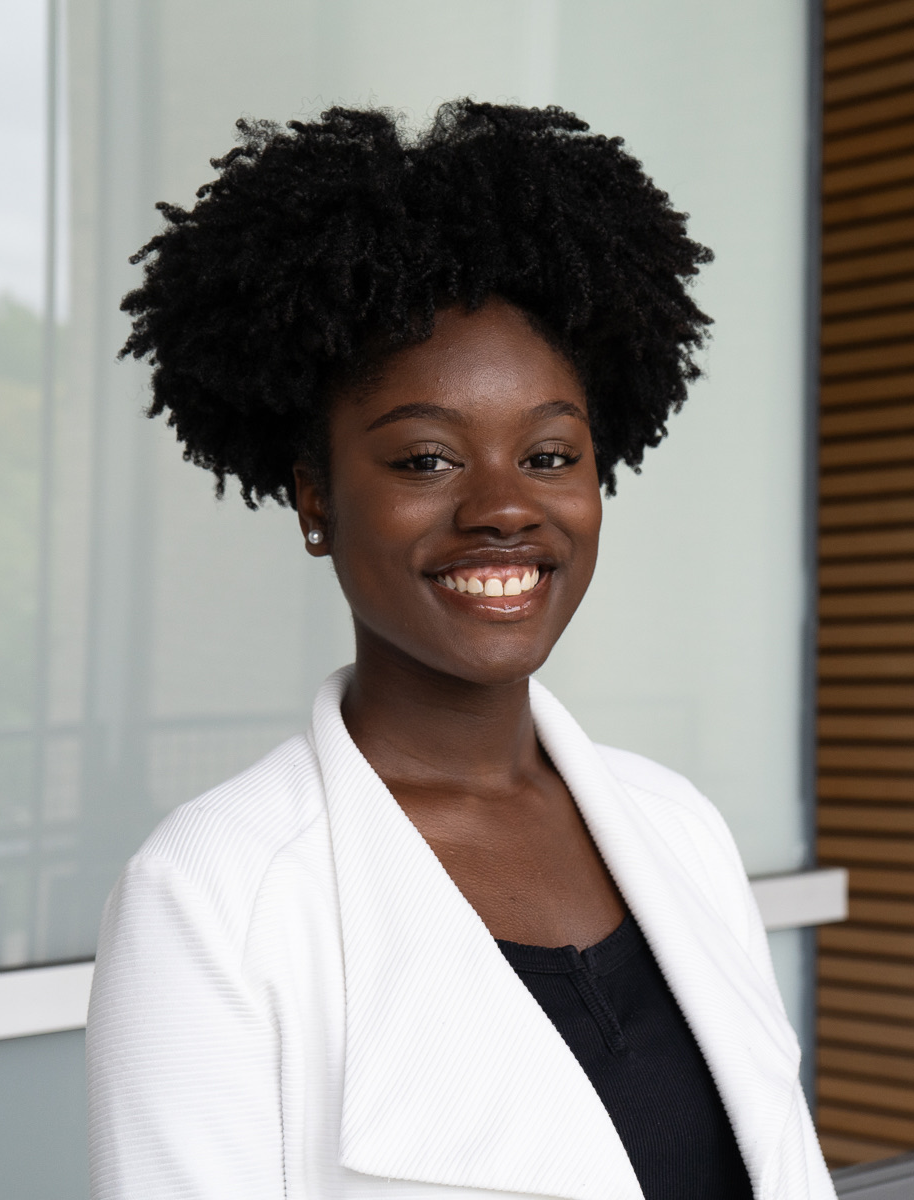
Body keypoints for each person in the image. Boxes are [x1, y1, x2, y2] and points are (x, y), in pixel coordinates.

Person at [87, 100, 834, 1200]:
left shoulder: (678, 829)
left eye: (547, 452)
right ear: (315, 498)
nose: (504, 509)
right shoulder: (213, 898)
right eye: (427, 459)